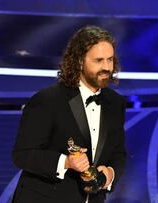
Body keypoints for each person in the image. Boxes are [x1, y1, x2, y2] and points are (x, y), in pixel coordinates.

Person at [12, 26, 126, 203]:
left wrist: (110, 174)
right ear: (79, 61)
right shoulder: (48, 100)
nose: (107, 67)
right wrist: (64, 162)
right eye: (99, 60)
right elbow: (22, 154)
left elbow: (119, 153)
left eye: (110, 60)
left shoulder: (116, 103)